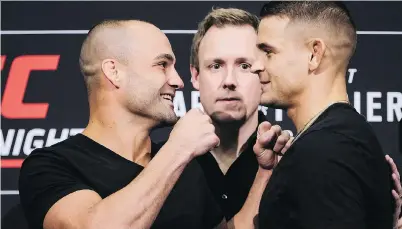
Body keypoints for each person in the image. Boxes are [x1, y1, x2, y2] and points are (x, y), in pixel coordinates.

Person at [18, 19, 225, 229]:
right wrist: (178, 149)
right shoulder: (51, 166)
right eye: (162, 64)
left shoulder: (191, 166)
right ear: (114, 72)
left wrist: (261, 172)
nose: (178, 81)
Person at [251, 1, 394, 229]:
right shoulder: (342, 138)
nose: (256, 65)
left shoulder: (324, 150)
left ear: (314, 55)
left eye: (268, 52)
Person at [189, 8, 292, 228]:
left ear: (263, 74)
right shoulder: (158, 164)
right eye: (215, 66)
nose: (229, 80)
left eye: (244, 66)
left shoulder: (296, 164)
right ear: (196, 76)